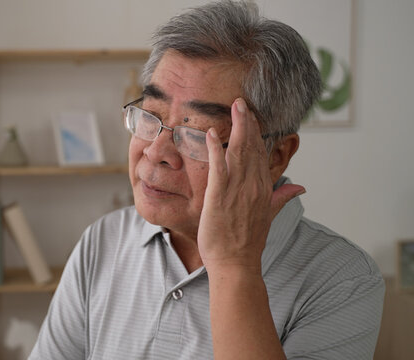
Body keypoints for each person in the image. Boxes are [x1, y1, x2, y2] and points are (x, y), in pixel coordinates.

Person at [29, 1, 385, 359]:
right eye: (150, 115)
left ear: (275, 156)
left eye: (199, 133)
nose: (156, 152)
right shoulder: (103, 241)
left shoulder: (342, 278)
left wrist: (234, 267)